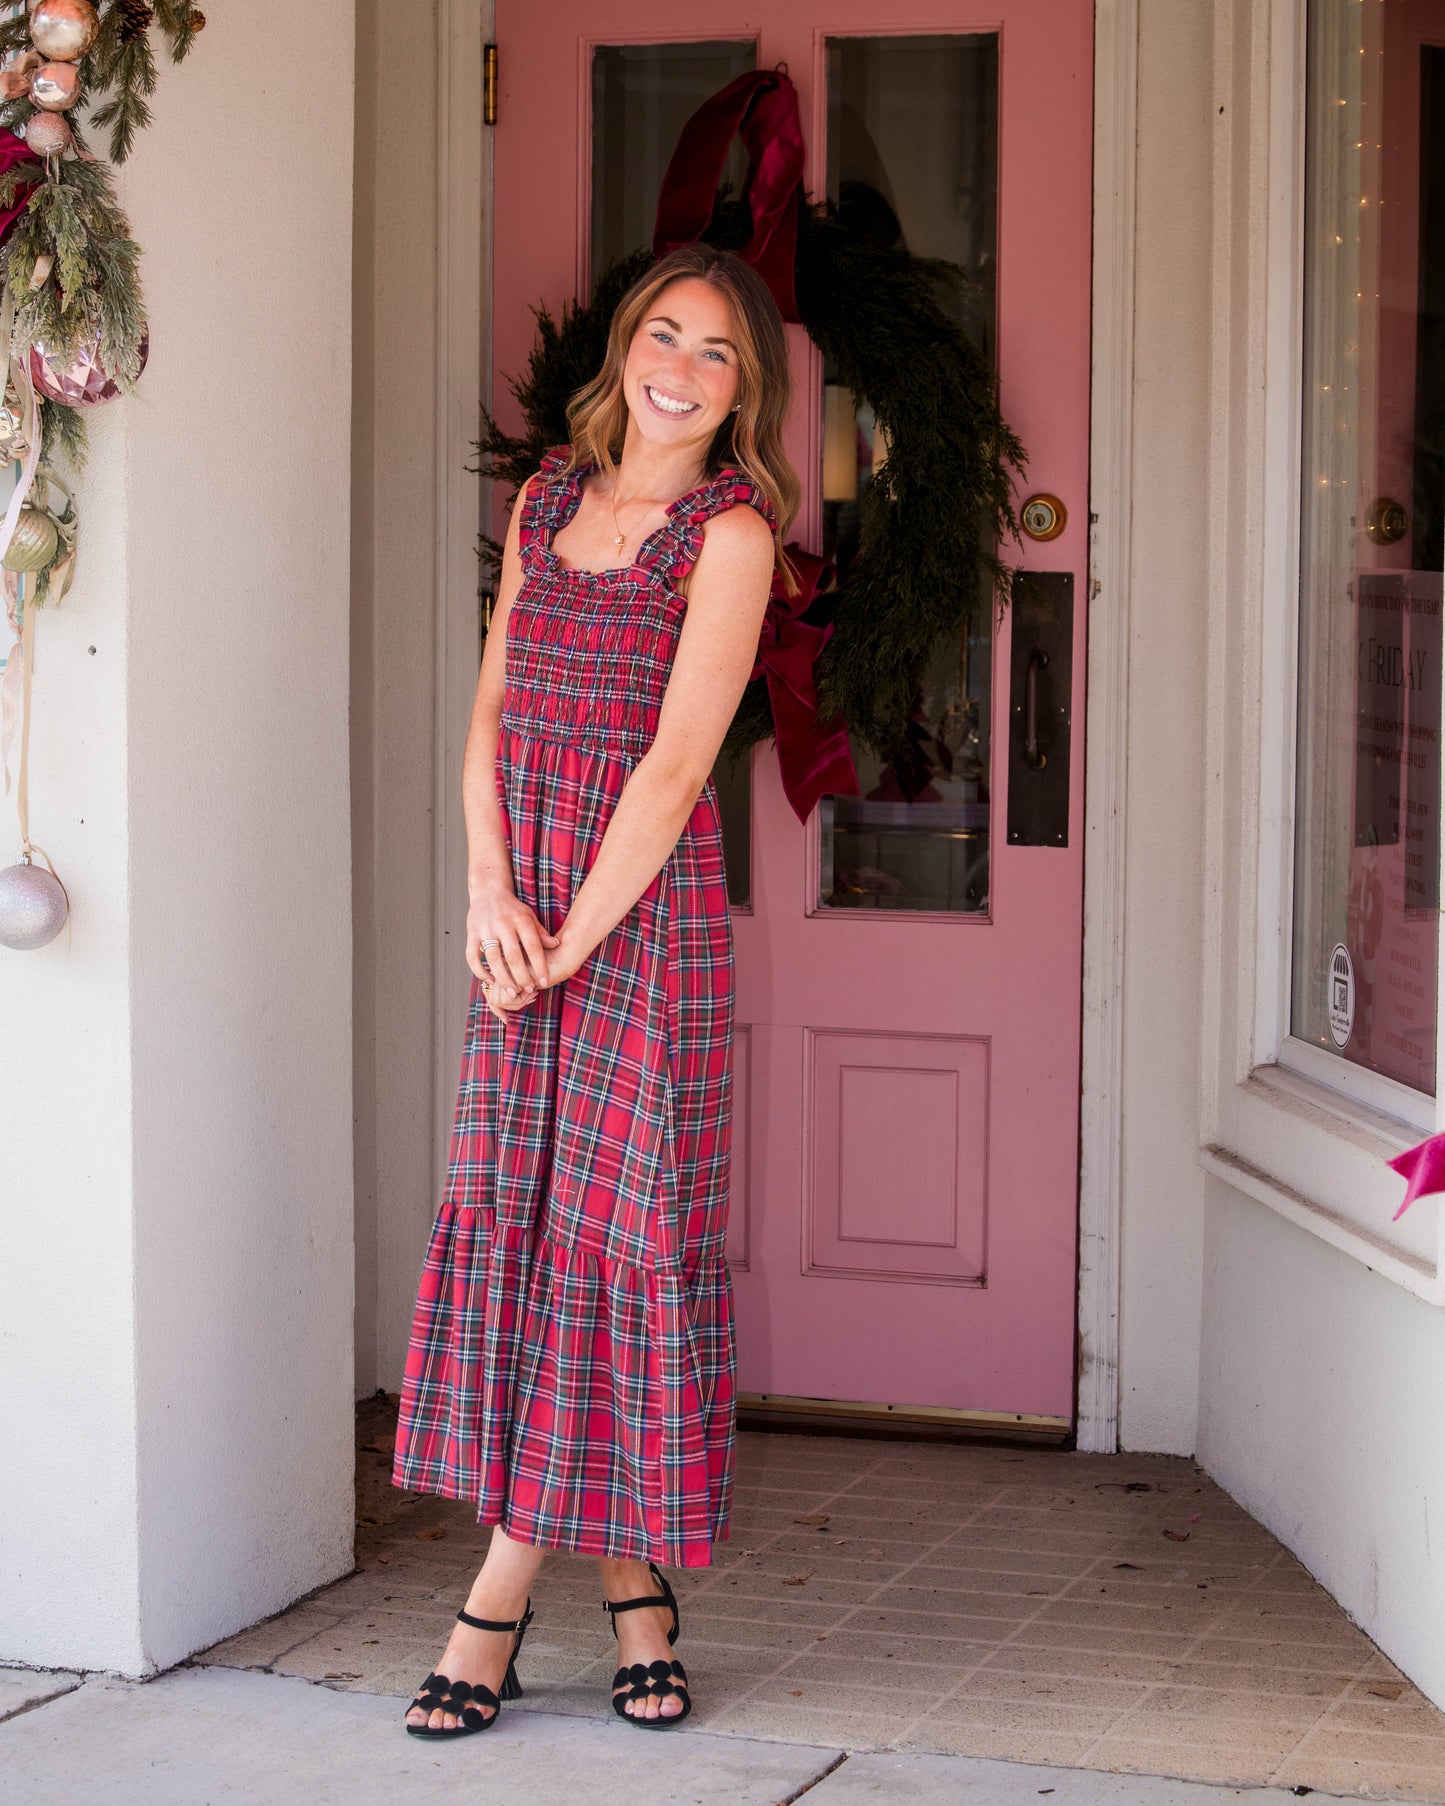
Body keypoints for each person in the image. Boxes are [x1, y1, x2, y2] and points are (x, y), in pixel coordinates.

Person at [391, 242, 800, 1737]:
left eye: (718, 357)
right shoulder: (550, 499)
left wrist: (567, 938)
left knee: (612, 1238)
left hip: (638, 926)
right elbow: (492, 704)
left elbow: (680, 764)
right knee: (536, 1223)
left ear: (745, 392)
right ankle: (633, 1589)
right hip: (527, 917)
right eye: (666, 336)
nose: (681, 371)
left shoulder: (730, 533)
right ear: (627, 342)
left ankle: (490, 1603)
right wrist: (488, 892)